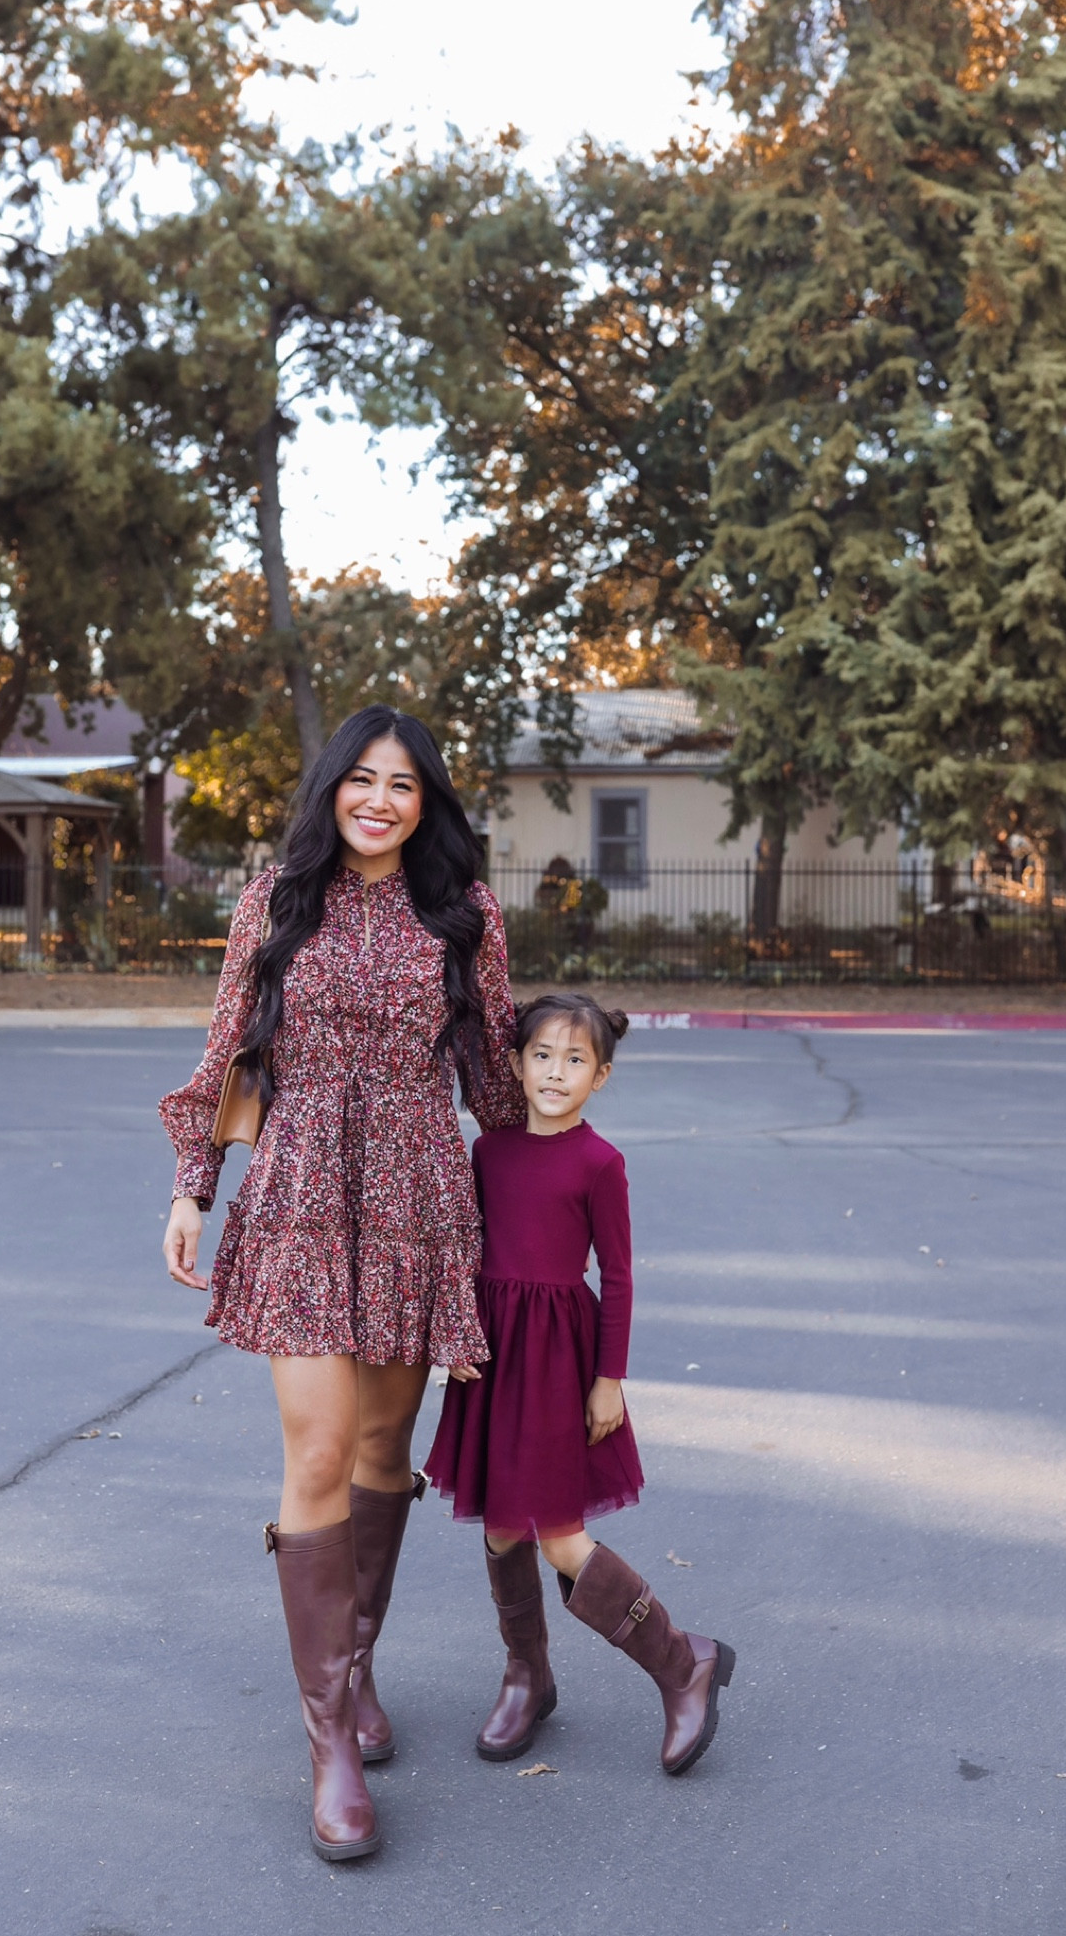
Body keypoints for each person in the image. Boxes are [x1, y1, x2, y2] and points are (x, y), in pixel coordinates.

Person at [158, 705, 523, 1863]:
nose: (379, 799)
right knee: (315, 1452)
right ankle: (329, 1742)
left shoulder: (463, 914)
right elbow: (228, 1050)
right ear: (331, 790)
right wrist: (191, 1186)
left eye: (403, 785)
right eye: (361, 779)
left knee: (381, 1453)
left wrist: (545, 1206)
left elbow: (495, 1075)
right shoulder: (275, 901)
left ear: (428, 805)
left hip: (417, 1199)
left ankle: (357, 1663)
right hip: (304, 1191)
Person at [425, 990, 735, 1777]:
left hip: (560, 1361)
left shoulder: (599, 1162)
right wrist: (454, 1332)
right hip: (493, 1354)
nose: (554, 1071)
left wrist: (609, 1379)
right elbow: (466, 1248)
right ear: (516, 1062)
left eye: (574, 1059)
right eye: (541, 1055)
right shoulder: (489, 1151)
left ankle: (678, 1662)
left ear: (599, 1074)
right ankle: (527, 1675)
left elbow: (620, 1276)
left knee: (558, 1532)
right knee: (500, 1527)